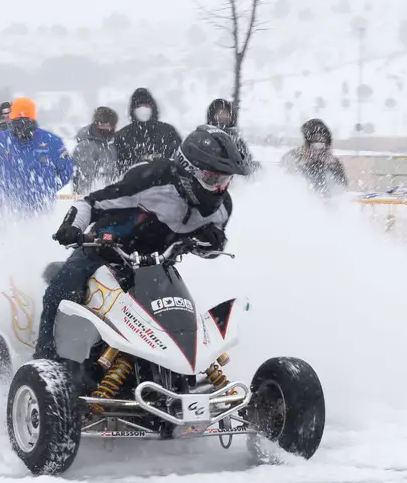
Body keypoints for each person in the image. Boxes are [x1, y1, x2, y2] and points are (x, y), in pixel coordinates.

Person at [34, 125, 248, 359]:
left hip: (155, 265)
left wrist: (211, 244)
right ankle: (43, 358)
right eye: (213, 178)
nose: (220, 189)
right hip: (102, 251)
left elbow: (212, 250)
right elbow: (90, 203)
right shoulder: (151, 179)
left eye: (226, 180)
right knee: (60, 292)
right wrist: (71, 227)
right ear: (189, 170)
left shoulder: (222, 208)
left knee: (177, 319)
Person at [0, 97, 73, 218]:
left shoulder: (51, 141)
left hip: (41, 209)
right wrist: (2, 188)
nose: (21, 127)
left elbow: (67, 169)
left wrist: (49, 188)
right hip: (7, 210)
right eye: (17, 121)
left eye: (25, 121)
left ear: (32, 119)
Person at [113, 87, 182, 175]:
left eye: (146, 106)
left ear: (152, 108)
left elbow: (179, 159)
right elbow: (118, 168)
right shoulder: (122, 136)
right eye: (139, 106)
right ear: (133, 110)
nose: (143, 109)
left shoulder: (168, 131)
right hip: (134, 185)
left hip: (166, 184)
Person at [280, 119, 348, 196]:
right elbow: (281, 186)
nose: (320, 150)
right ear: (307, 144)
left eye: (324, 144)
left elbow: (341, 192)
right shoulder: (292, 160)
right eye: (316, 144)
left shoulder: (334, 165)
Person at [206, 98, 260, 176]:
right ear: (212, 115)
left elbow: (247, 161)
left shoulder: (236, 139)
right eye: (220, 113)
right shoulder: (206, 136)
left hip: (234, 177)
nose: (224, 117)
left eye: (226, 114)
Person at [72, 106, 119, 194]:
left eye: (111, 125)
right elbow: (85, 177)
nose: (108, 128)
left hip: (108, 197)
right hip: (92, 198)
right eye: (104, 124)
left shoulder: (110, 144)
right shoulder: (86, 146)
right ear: (97, 124)